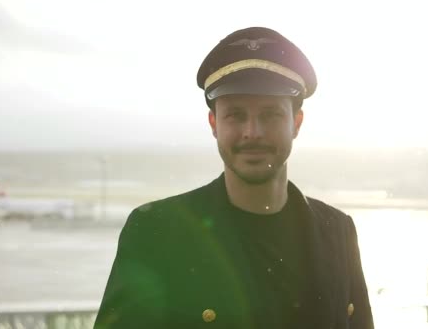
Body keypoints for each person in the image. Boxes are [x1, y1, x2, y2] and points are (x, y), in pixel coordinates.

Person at [94, 26, 374, 329]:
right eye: (235, 115)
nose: (252, 132)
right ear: (214, 123)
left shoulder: (337, 231)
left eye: (270, 115)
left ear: (296, 122)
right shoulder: (157, 230)